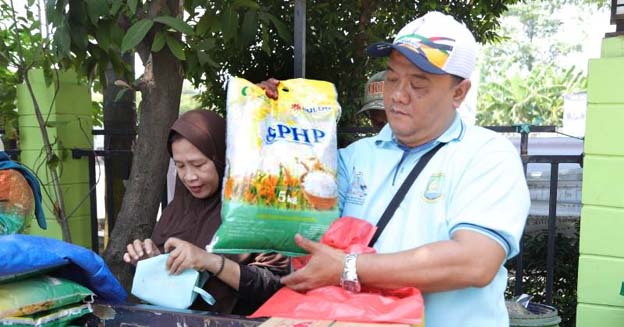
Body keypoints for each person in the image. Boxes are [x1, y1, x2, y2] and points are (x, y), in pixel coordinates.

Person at [260, 11, 530, 327]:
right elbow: (304, 236)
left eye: (418, 84)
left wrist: (350, 267)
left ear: (459, 93)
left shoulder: (486, 155)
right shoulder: (356, 158)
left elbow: (474, 262)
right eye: (391, 78)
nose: (398, 95)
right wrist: (282, 126)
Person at [123, 109, 289, 314]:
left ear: (221, 158)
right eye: (180, 166)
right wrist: (152, 262)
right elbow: (166, 287)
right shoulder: (176, 210)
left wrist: (209, 260)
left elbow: (273, 285)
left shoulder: (255, 209)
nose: (189, 176)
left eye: (198, 164)